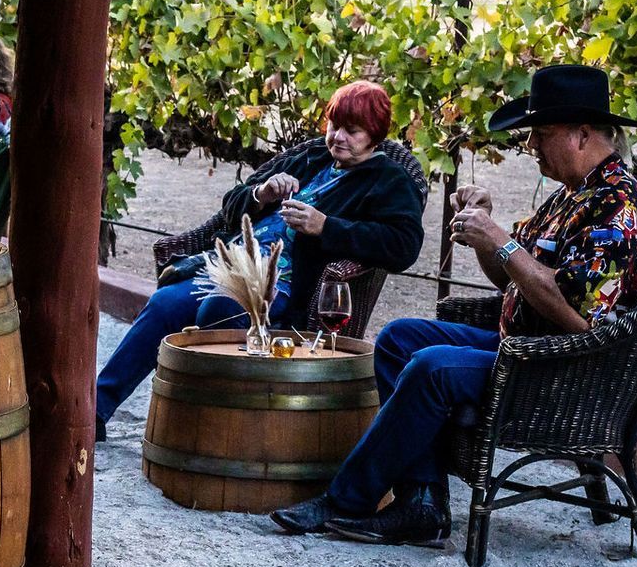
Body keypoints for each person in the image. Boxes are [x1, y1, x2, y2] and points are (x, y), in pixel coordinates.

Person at [271, 64, 637, 546]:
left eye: (539, 135)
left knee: (433, 367)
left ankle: (345, 499)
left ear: (581, 134)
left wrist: (502, 242)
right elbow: (508, 277)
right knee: (398, 339)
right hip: (522, 343)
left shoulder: (617, 204)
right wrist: (483, 229)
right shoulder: (571, 195)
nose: (531, 146)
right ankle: (422, 502)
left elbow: (578, 320)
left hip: (561, 368)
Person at [95, 81, 425, 440]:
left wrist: (326, 227)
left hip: (281, 285)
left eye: (352, 130)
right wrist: (260, 194)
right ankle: (96, 409)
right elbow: (229, 207)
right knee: (163, 304)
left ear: (374, 134)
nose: (338, 137)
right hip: (228, 264)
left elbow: (404, 245)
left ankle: (203, 431)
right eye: (334, 125)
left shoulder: (389, 181)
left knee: (219, 310)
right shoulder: (312, 157)